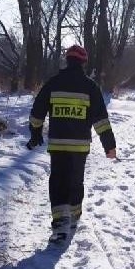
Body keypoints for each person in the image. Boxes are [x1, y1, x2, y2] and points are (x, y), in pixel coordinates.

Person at [27, 44, 117, 245]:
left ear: (66, 60)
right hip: (80, 147)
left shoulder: (53, 83)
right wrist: (109, 145)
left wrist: (35, 133)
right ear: (83, 63)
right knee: (76, 181)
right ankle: (74, 217)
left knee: (58, 182)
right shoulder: (90, 87)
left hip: (58, 145)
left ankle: (60, 224)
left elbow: (36, 113)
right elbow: (101, 120)